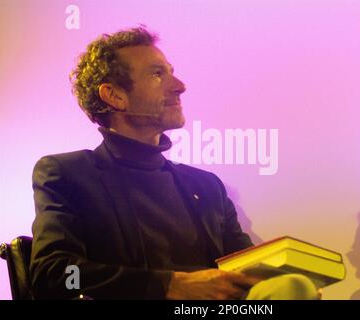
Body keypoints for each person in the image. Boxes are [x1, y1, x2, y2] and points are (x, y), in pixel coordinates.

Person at [30, 26, 319, 300]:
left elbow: (246, 272)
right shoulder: (68, 174)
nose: (180, 86)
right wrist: (170, 286)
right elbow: (54, 274)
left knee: (291, 286)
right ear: (115, 95)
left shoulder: (207, 186)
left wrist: (282, 286)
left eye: (172, 73)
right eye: (157, 75)